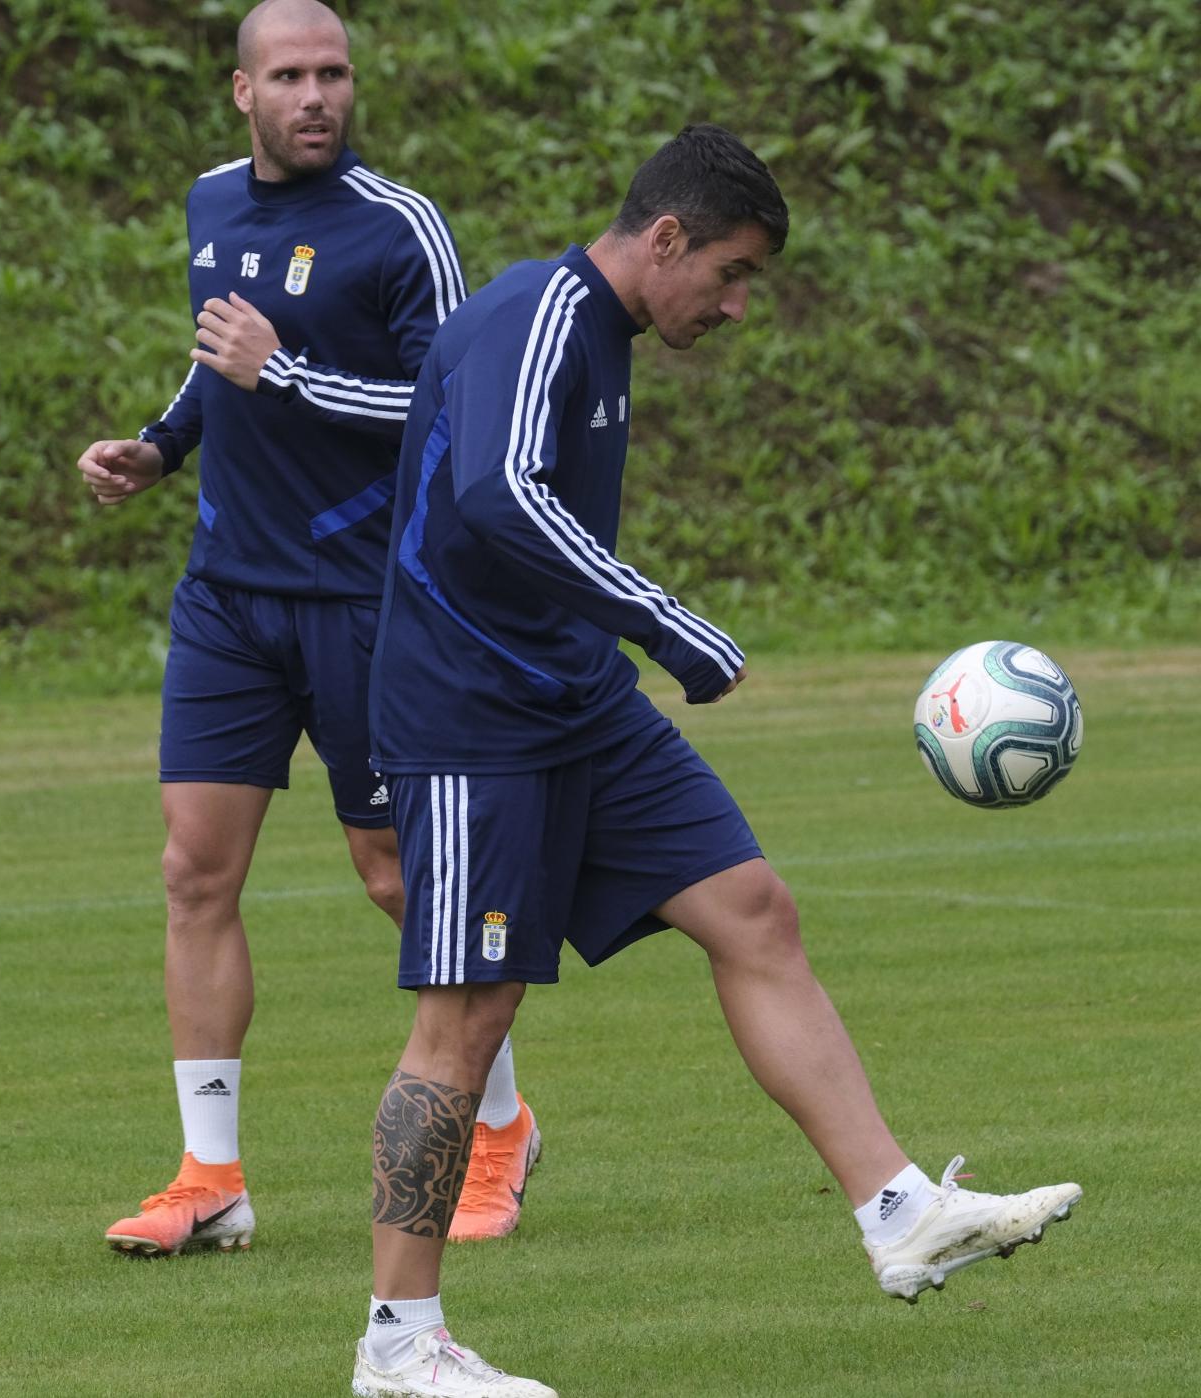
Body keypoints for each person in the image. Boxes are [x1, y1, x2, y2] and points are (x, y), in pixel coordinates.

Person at [351, 124, 1082, 1396]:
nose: (738, 306)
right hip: (472, 717)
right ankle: (399, 1348)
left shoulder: (603, 334)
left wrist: (619, 639)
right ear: (667, 238)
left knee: (753, 909)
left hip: (575, 696)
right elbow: (499, 497)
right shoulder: (539, 312)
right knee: (462, 1027)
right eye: (732, 274)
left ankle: (897, 1211)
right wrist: (666, 619)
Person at [74, 0, 539, 1258]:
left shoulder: (400, 228)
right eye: (290, 75)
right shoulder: (212, 204)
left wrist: (282, 373)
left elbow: (452, 411)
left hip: (365, 600)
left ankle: (497, 1128)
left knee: (397, 879)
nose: (317, 95)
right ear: (242, 91)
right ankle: (209, 1175)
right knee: (193, 873)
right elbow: (216, 356)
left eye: (334, 72)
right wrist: (163, 445)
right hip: (229, 596)